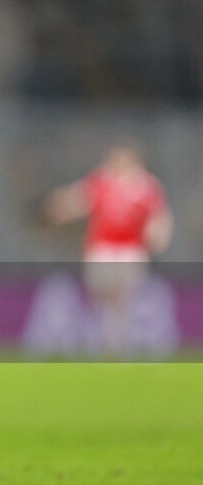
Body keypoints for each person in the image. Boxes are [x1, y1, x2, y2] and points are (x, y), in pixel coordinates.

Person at [45, 141, 172, 356]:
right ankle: (101, 339)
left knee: (124, 298)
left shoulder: (146, 185)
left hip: (130, 250)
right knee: (100, 293)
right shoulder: (101, 180)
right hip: (102, 248)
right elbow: (78, 200)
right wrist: (60, 208)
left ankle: (117, 346)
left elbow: (159, 215)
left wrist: (159, 235)